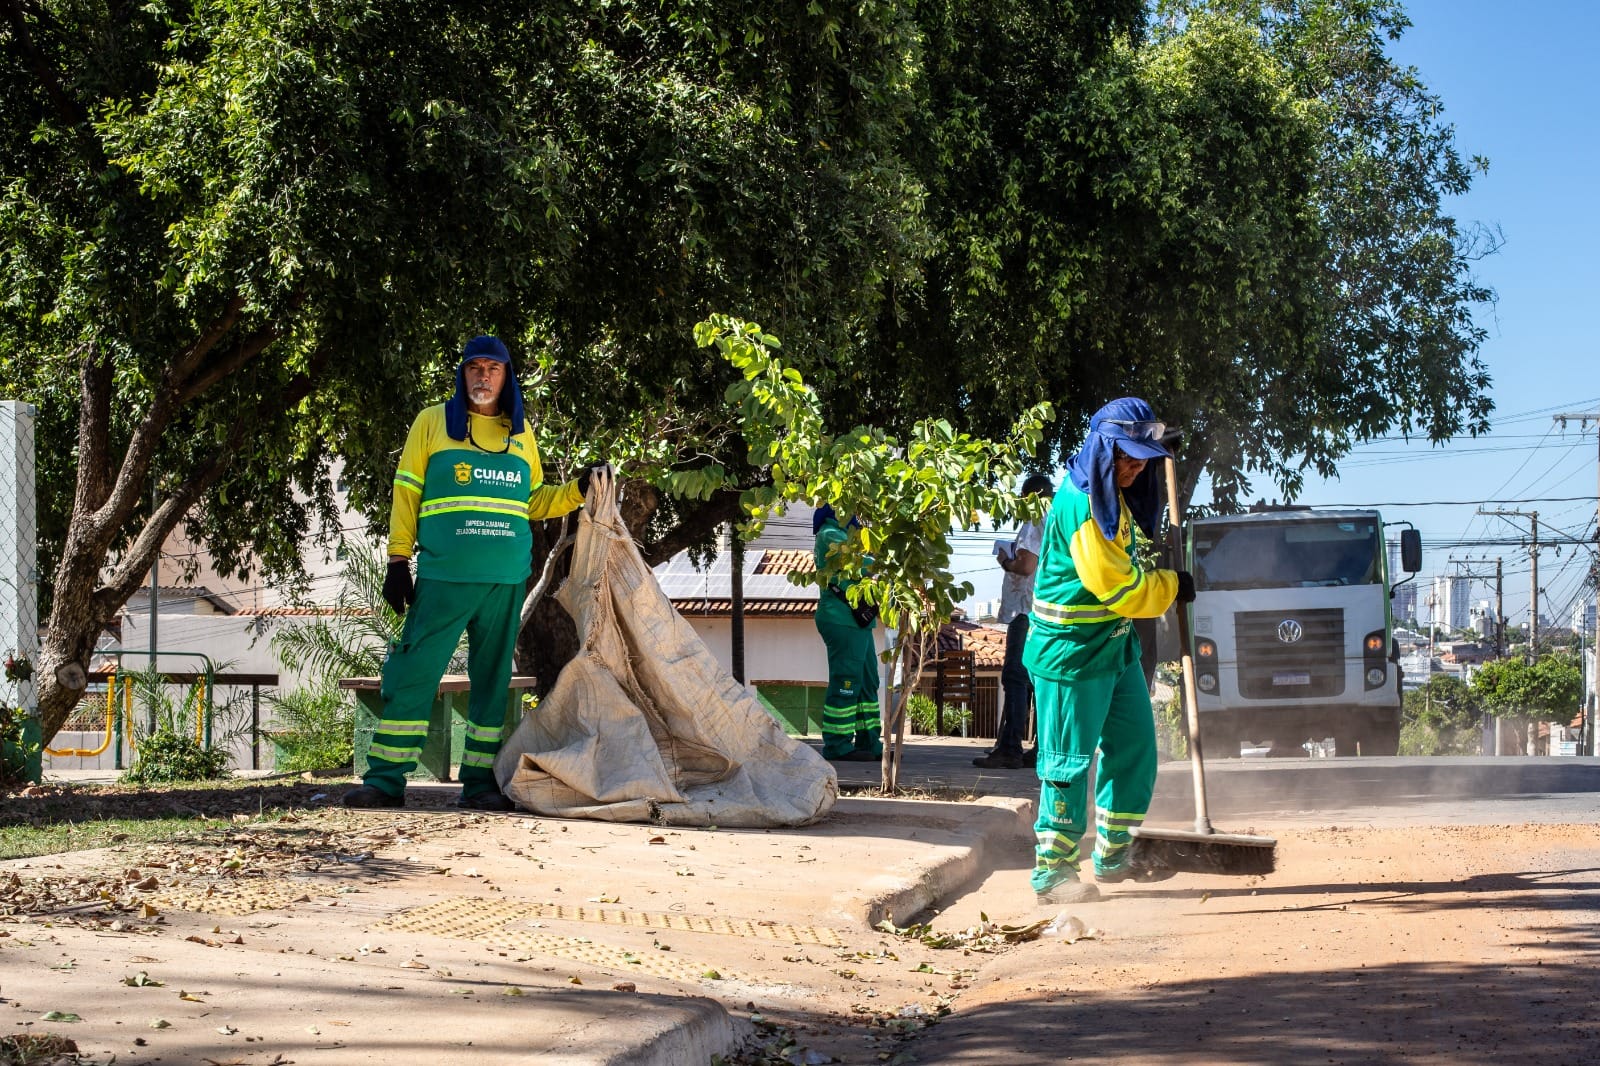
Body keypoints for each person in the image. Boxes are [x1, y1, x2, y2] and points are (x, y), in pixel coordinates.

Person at [343, 335, 608, 811]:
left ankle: (481, 784)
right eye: (474, 368)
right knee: (415, 673)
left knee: (491, 683)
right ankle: (385, 781)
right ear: (462, 375)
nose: (482, 377)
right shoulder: (432, 424)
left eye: (493, 369)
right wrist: (397, 561)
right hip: (444, 578)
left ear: (507, 378)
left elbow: (535, 502)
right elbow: (406, 492)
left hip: (505, 581)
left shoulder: (521, 434)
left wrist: (577, 488)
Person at [1023, 398, 1196, 904]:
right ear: (1101, 449)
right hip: (1069, 656)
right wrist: (1168, 586)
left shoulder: (1112, 496)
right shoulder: (1080, 503)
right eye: (1127, 456)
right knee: (1067, 763)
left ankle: (1114, 853)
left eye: (1144, 458)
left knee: (1137, 748)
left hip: (1112, 648)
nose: (1137, 466)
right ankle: (1052, 871)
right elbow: (1115, 587)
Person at [973, 474, 1054, 770]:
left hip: (1027, 611)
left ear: (1029, 497)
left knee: (1016, 677)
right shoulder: (1059, 518)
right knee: (1039, 682)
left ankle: (1010, 749)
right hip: (1049, 612)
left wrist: (1005, 560)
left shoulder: (1035, 519)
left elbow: (1026, 565)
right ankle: (1042, 749)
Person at [812, 504, 883, 762]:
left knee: (867, 681)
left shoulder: (845, 534)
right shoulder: (829, 534)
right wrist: (883, 561)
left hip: (856, 621)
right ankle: (838, 744)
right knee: (847, 681)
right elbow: (855, 562)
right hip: (840, 618)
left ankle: (870, 742)